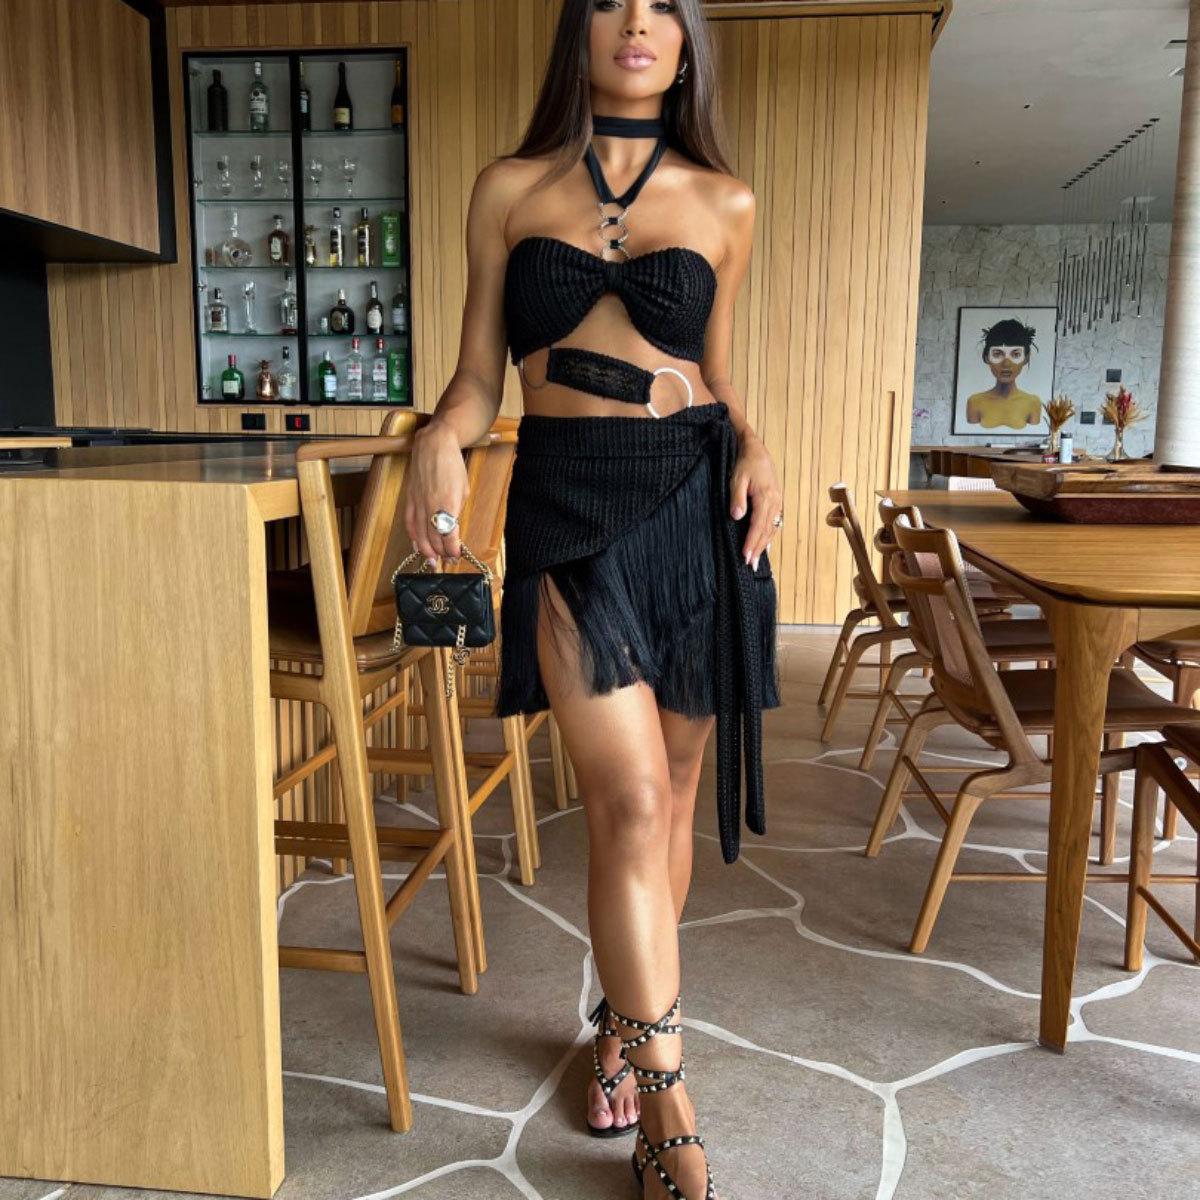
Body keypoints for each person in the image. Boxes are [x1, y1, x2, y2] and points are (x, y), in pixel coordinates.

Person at [405, 2, 783, 1195]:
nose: (636, 21)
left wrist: (758, 444)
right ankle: (669, 1101)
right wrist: (440, 435)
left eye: (663, 3)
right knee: (625, 798)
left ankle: (624, 1029)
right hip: (567, 504)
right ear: (579, 31)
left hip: (699, 504)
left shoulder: (726, 203)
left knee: (671, 801)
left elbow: (718, 372)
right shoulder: (508, 189)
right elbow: (478, 375)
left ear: (687, 41)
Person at [964, 317, 1043, 430]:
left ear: (1026, 358)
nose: (1006, 363)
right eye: (997, 354)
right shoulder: (975, 402)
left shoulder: (1033, 403)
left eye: (1015, 355)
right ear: (986, 357)